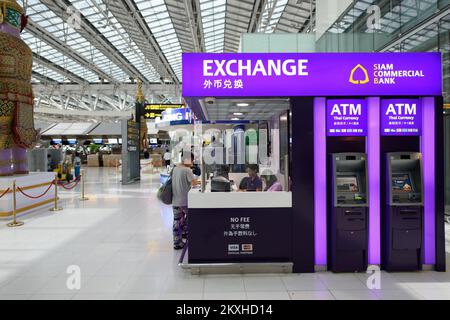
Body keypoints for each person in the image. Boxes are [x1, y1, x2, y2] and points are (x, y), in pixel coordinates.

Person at [171, 151, 198, 250]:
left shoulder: (175, 169)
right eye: (191, 159)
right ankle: (186, 234)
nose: (192, 161)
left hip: (175, 200)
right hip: (185, 200)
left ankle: (177, 242)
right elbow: (194, 183)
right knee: (190, 217)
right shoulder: (187, 170)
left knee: (177, 220)